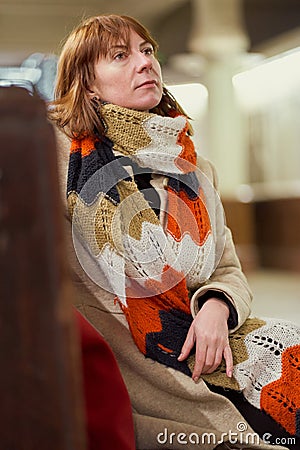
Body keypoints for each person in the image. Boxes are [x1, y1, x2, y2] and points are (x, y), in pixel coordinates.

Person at [50, 14, 300, 450]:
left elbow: (228, 268)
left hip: (218, 345)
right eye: (120, 55)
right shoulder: (62, 156)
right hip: (145, 373)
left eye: (147, 50)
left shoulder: (197, 170)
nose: (145, 62)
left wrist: (217, 307)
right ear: (87, 84)